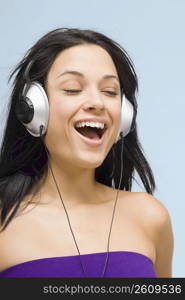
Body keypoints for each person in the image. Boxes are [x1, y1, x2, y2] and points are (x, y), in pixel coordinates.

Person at [0, 28, 173, 278]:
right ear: (34, 108)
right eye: (72, 89)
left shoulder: (150, 217)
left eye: (110, 92)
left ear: (124, 115)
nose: (97, 103)